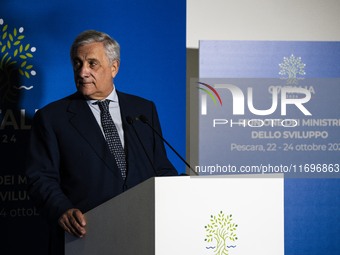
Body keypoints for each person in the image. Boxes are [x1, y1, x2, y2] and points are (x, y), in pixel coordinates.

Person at [25, 30, 178, 255]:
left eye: (92, 63)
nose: (83, 71)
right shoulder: (52, 118)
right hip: (85, 238)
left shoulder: (143, 110)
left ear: (114, 67)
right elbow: (40, 178)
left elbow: (161, 167)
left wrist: (178, 193)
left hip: (143, 234)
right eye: (78, 63)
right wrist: (62, 210)